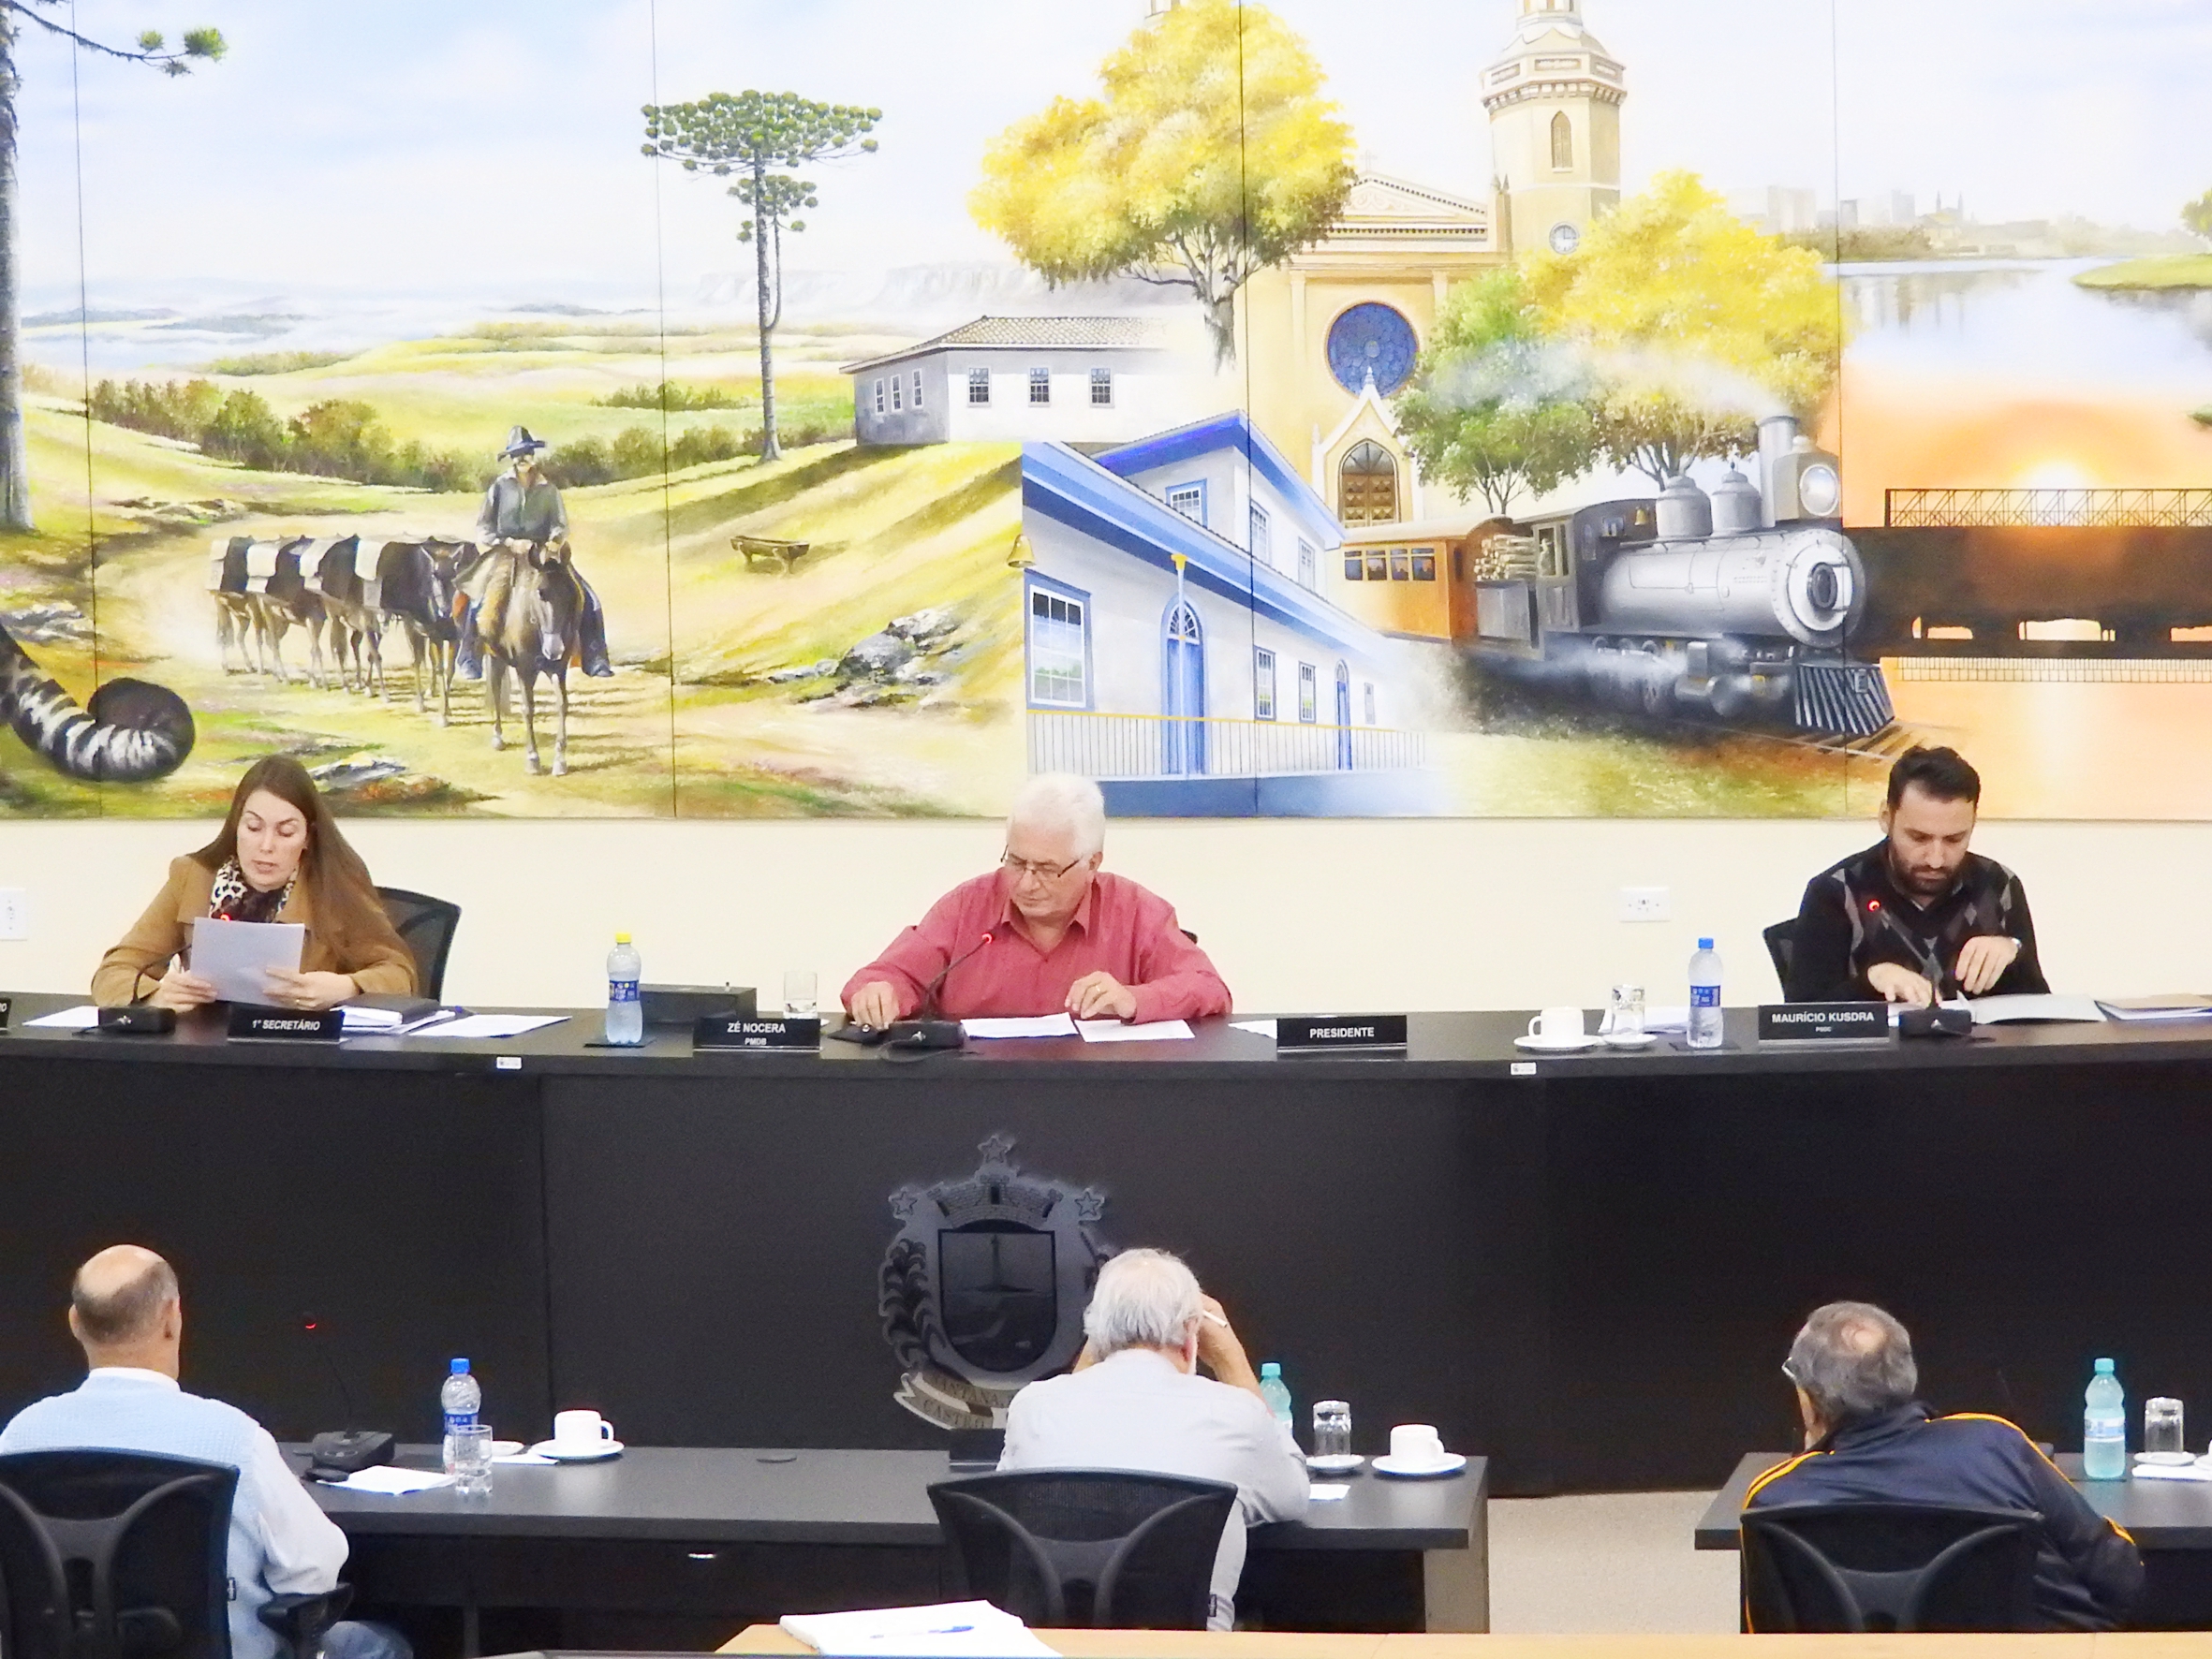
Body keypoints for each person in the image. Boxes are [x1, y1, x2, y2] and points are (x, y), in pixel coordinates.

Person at [0, 1247, 410, 1659]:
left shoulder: (18, 1439)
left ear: (74, 1322)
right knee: (377, 1645)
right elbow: (314, 1570)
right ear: (172, 1318)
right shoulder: (234, 1440)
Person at [1745, 1300, 2141, 1631]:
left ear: (1809, 1397)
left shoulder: (1773, 1498)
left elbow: (1767, 1632)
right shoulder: (1995, 1443)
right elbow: (2118, 1574)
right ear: (1906, 1373)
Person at [998, 1249, 1308, 1629]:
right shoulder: (1238, 1413)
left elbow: (1012, 1497)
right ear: (1191, 1339)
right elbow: (1293, 1494)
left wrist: (1098, 1346)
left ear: (1095, 1334)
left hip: (1059, 1646)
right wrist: (1232, 1361)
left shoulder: (1032, 1406)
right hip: (1188, 1650)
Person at [841, 772, 1231, 1025]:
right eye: (1016, 861)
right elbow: (885, 976)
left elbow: (1208, 988)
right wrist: (879, 993)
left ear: (1092, 863)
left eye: (1046, 868)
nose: (1026, 883)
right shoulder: (967, 907)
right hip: (977, 1100)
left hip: (1103, 1102)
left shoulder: (1136, 912)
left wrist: (1133, 998)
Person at [93, 755, 418, 1009]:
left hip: (305, 1053)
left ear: (308, 837)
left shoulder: (334, 884)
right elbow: (113, 973)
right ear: (236, 826)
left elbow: (400, 976)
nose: (266, 846)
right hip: (208, 1049)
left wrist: (346, 987)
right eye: (253, 827)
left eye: (285, 832)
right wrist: (156, 996)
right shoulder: (192, 876)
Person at [1784, 746, 2047, 1005]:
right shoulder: (1836, 891)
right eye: (1918, 838)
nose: (1936, 860)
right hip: (1878, 1037)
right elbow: (1800, 1017)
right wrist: (1870, 981)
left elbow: (2042, 1015)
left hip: (1981, 1036)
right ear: (1886, 818)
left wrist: (2013, 950)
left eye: (1954, 839)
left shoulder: (1999, 885)